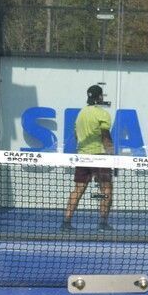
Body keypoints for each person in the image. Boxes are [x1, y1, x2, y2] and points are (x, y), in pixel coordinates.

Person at [61, 85, 114, 231]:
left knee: (78, 189)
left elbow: (77, 135)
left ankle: (66, 222)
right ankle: (103, 223)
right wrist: (111, 155)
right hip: (100, 157)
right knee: (106, 189)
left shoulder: (80, 114)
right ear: (100, 97)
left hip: (82, 156)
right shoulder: (102, 114)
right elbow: (105, 136)